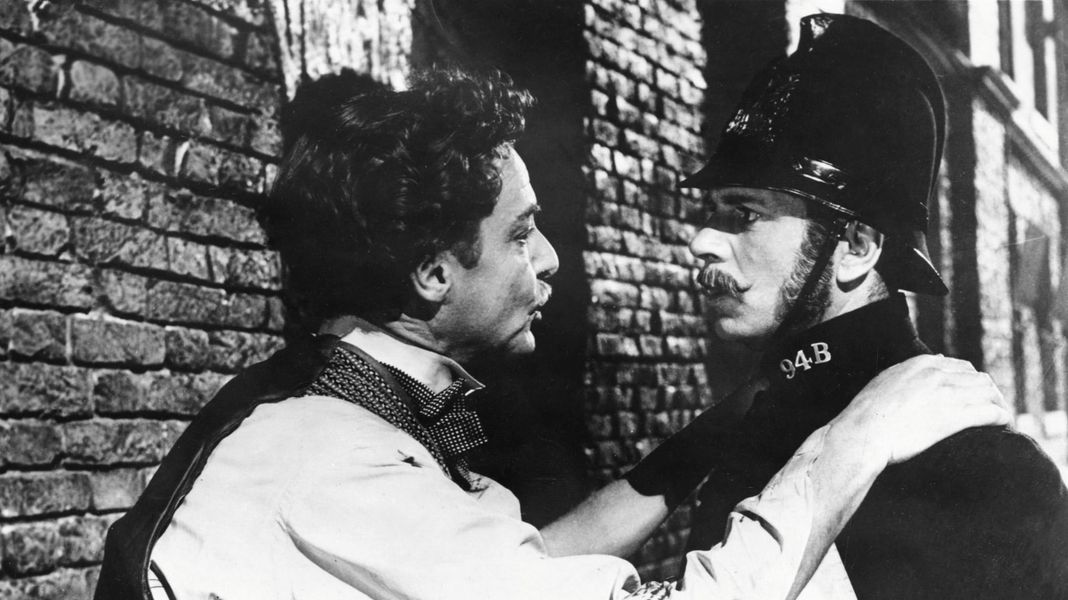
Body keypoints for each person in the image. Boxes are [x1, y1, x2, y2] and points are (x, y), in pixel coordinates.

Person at [94, 67, 1007, 600]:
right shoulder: (325, 457)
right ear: (433, 273)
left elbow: (528, 570)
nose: (552, 260)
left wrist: (716, 434)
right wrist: (853, 440)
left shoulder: (326, 410)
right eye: (522, 234)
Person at [676, 13, 1068, 600]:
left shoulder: (981, 467)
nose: (703, 240)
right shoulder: (756, 425)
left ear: (857, 247)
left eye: (746, 213)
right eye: (713, 211)